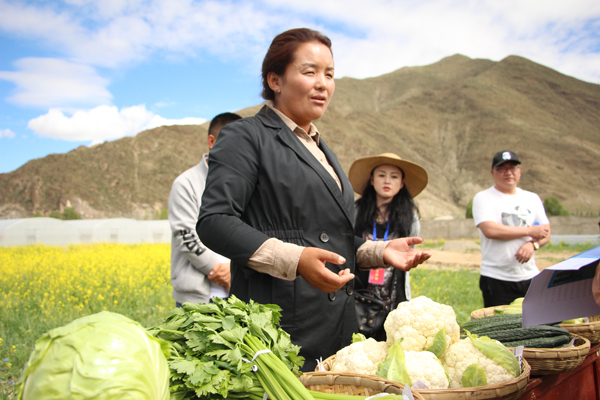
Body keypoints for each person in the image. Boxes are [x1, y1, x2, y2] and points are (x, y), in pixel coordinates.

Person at [197, 28, 431, 371]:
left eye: (330, 74)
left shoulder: (325, 151)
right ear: (275, 80)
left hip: (336, 322)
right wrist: (296, 259)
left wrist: (378, 251)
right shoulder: (246, 137)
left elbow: (326, 237)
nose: (323, 84)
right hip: (281, 329)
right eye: (310, 72)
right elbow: (214, 221)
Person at [348, 153, 428, 341]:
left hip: (394, 297)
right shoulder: (355, 211)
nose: (387, 181)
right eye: (381, 175)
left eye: (394, 177)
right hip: (359, 296)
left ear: (401, 184)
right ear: (372, 180)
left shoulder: (410, 216)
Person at [168, 112, 242, 306]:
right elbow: (186, 235)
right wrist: (220, 271)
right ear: (212, 141)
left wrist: (235, 272)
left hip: (237, 294)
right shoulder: (186, 184)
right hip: (196, 300)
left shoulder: (247, 184)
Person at [472, 150, 551, 308]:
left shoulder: (532, 198)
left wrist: (532, 245)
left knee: (534, 326)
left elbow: (545, 233)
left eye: (512, 168)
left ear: (519, 171)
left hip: (530, 276)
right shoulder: (483, 198)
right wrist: (529, 232)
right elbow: (490, 230)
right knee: (500, 329)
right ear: (492, 172)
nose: (508, 172)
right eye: (502, 169)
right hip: (497, 278)